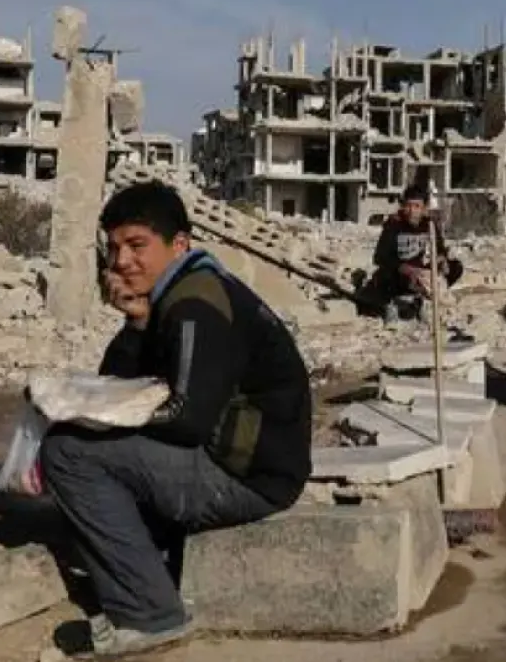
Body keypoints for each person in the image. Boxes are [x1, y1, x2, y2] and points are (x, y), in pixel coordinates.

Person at [39, 182, 312, 658]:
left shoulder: (193, 304)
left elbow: (186, 419)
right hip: (246, 460)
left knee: (67, 453)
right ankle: (153, 564)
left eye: (137, 246)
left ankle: (149, 616)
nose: (121, 261)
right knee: (84, 452)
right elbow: (123, 381)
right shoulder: (180, 292)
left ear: (179, 244)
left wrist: (92, 422)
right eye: (115, 248)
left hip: (249, 475)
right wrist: (136, 323)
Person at [369, 184, 464, 321]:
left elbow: (440, 249)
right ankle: (392, 304)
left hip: (420, 271)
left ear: (424, 208)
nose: (412, 211)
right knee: (387, 274)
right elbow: (379, 257)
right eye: (408, 206)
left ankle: (426, 299)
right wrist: (404, 268)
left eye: (417, 206)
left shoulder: (429, 225)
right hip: (400, 272)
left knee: (456, 267)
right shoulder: (394, 224)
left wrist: (442, 260)